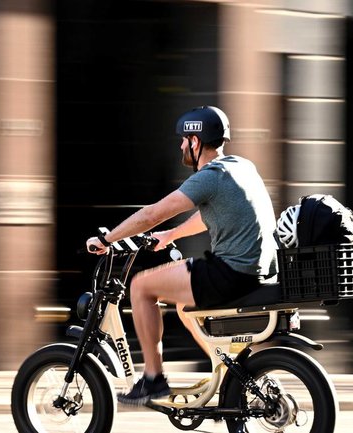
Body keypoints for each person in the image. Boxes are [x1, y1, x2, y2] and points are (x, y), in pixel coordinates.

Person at [86, 106, 278, 405]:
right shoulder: (242, 166)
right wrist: (171, 235)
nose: (181, 146)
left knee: (140, 286)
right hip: (259, 271)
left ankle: (153, 379)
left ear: (195, 141)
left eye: (184, 139)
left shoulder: (210, 176)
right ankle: (228, 370)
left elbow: (152, 215)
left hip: (232, 272)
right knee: (184, 306)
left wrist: (107, 239)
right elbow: (211, 215)